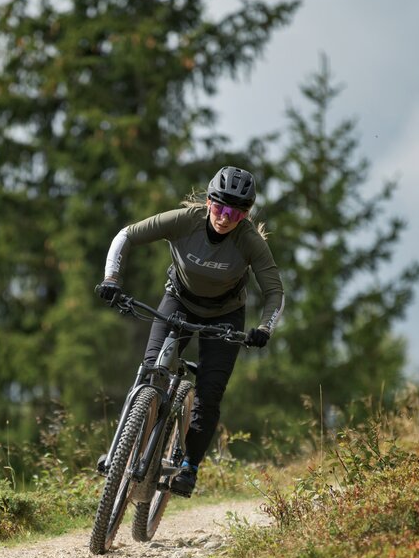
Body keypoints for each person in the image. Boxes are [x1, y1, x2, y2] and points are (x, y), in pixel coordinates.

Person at [96, 165, 284, 497]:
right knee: (151, 372)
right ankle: (122, 450)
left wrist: (264, 329)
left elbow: (274, 292)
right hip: (178, 300)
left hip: (225, 316)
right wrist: (112, 279)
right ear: (209, 201)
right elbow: (126, 235)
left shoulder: (249, 241)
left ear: (246, 216)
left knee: (209, 394)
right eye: (219, 207)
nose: (225, 218)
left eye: (235, 213)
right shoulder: (186, 221)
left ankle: (189, 467)